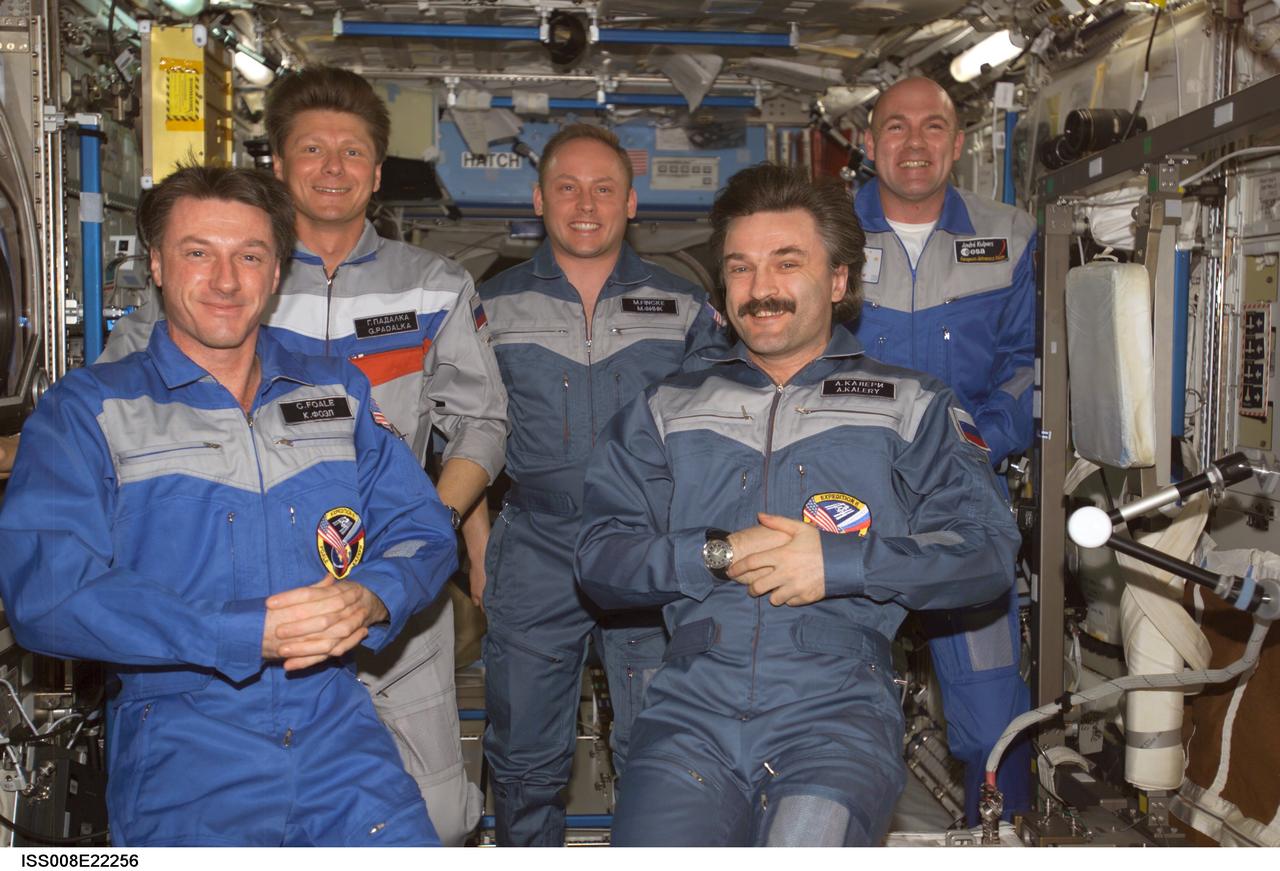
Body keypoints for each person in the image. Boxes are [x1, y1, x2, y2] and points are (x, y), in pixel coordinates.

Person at [0, 165, 456, 846]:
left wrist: (372, 594)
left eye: (249, 255)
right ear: (155, 263)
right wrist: (240, 633)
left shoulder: (334, 388)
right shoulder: (89, 412)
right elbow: (46, 593)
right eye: (197, 253)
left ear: (276, 273)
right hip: (185, 753)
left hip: (339, 740)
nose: (225, 280)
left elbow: (423, 529)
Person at [101, 67, 499, 843]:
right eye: (311, 148)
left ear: (377, 174)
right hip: (242, 602)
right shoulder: (217, 284)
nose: (332, 167)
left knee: (434, 811)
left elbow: (481, 422)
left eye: (352, 152)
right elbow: (121, 406)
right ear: (275, 165)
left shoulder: (432, 285)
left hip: (392, 599)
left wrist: (424, 534)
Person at [574, 164, 1020, 846]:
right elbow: (599, 558)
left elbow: (986, 552)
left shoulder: (913, 405)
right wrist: (714, 551)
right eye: (742, 268)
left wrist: (837, 563)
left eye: (788, 263)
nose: (763, 289)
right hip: (689, 716)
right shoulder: (667, 409)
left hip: (836, 714)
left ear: (839, 280)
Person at [476, 123, 727, 846]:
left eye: (604, 188)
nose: (585, 204)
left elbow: (715, 439)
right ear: (538, 198)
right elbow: (464, 429)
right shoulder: (490, 306)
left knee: (657, 748)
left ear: (632, 201)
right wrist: (479, 545)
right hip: (534, 546)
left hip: (645, 550)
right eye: (567, 187)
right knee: (523, 752)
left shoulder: (683, 305)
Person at [854, 76, 1035, 824]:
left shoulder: (1014, 235)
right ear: (868, 143)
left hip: (966, 499)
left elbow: (1030, 366)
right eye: (896, 127)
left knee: (994, 714)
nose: (916, 143)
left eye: (934, 127)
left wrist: (977, 443)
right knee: (835, 708)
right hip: (847, 500)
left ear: (959, 144)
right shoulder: (817, 229)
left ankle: (995, 832)